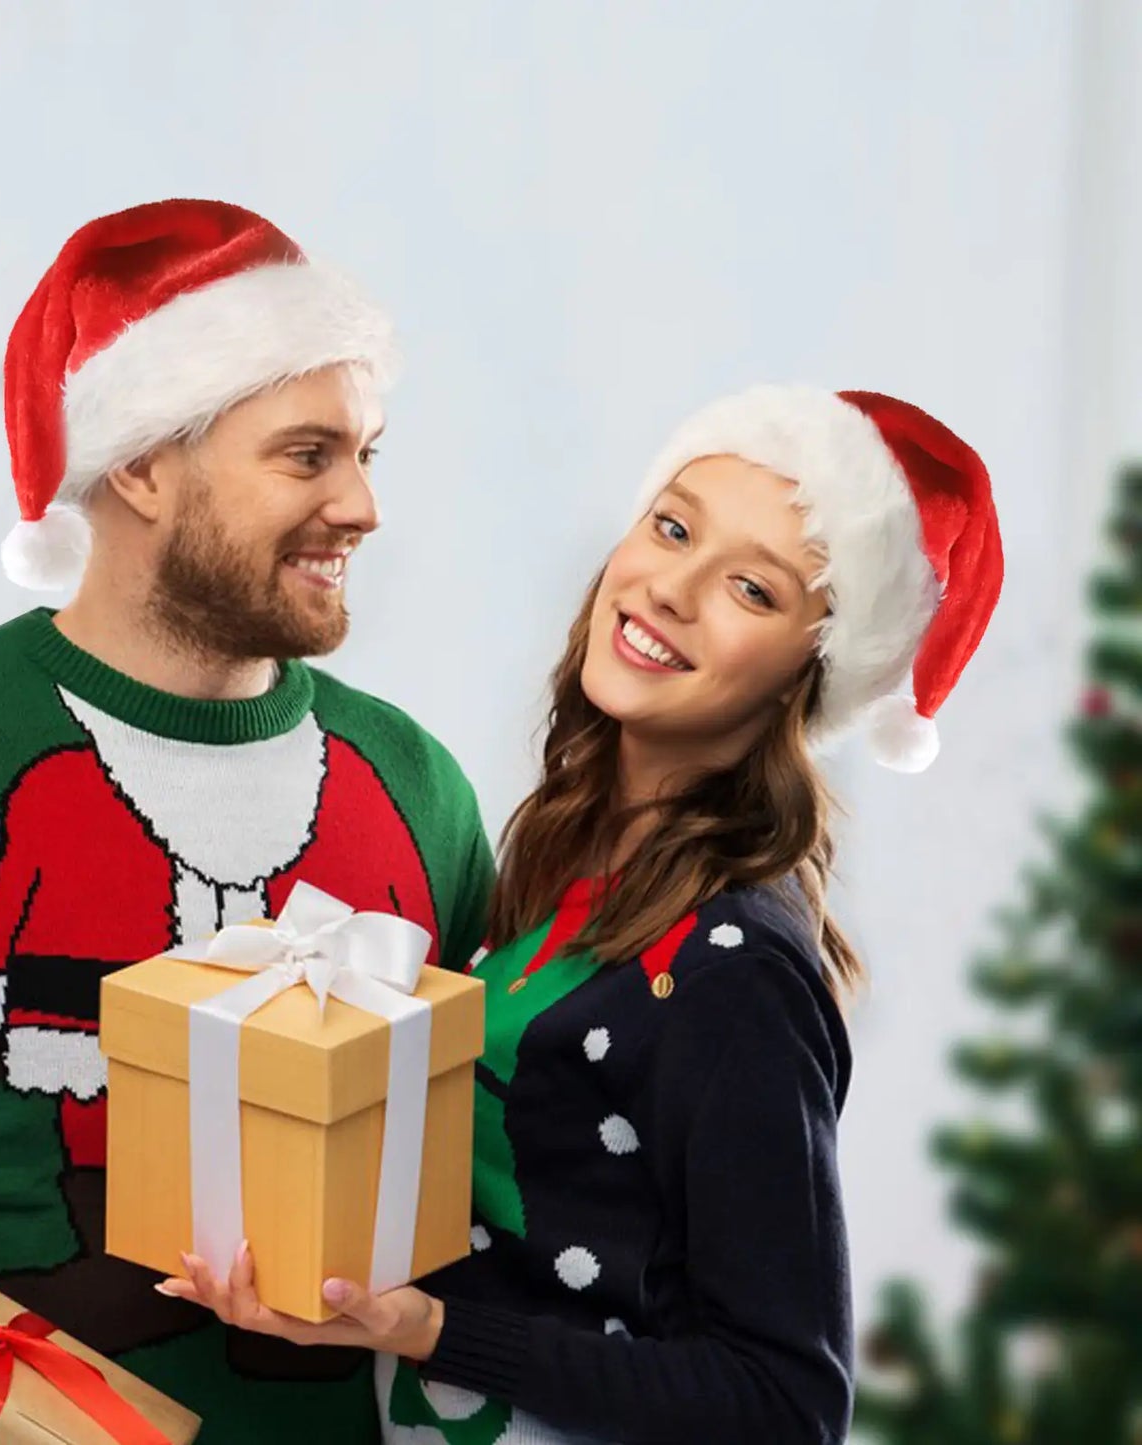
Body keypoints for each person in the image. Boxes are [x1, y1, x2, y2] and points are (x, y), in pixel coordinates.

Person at [0, 199, 494, 1443]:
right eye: (305, 454)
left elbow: (479, 1186)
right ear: (140, 462)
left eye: (366, 453)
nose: (360, 506)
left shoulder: (418, 789)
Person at [160, 384, 1006, 1444]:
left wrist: (430, 1328)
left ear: (812, 663)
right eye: (671, 525)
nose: (672, 588)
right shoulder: (569, 850)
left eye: (750, 587)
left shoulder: (730, 963)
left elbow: (786, 1402)